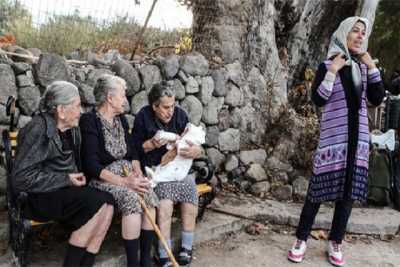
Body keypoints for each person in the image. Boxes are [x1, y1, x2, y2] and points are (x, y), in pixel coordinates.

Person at [287, 17, 384, 267]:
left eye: (363, 33)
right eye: (355, 31)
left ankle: (335, 241)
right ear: (344, 33)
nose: (360, 36)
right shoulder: (327, 64)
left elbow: (376, 97)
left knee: (348, 194)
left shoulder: (364, 66)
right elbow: (319, 99)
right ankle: (300, 240)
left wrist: (372, 66)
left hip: (358, 139)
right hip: (334, 140)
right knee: (317, 191)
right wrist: (332, 72)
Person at [11, 81, 115, 267]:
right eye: (76, 106)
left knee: (108, 203)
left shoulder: (72, 129)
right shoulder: (38, 129)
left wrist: (75, 177)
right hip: (38, 197)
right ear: (61, 110)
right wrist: (65, 179)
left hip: (63, 191)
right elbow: (20, 178)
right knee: (97, 203)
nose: (81, 111)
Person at [79, 74, 158, 267]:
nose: (125, 100)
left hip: (126, 174)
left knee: (147, 193)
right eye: (122, 96)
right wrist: (124, 182)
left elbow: (132, 151)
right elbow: (91, 165)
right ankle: (133, 263)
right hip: (103, 179)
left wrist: (137, 172)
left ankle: (145, 260)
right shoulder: (89, 121)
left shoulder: (120, 119)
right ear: (110, 97)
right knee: (131, 197)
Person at [132, 82, 202, 267]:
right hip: (156, 172)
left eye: (172, 106)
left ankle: (186, 248)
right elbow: (134, 151)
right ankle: (164, 254)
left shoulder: (180, 115)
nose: (170, 111)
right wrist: (152, 144)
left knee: (190, 194)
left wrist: (196, 151)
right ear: (154, 106)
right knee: (165, 204)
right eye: (165, 107)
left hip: (178, 170)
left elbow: (193, 141)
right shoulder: (143, 117)